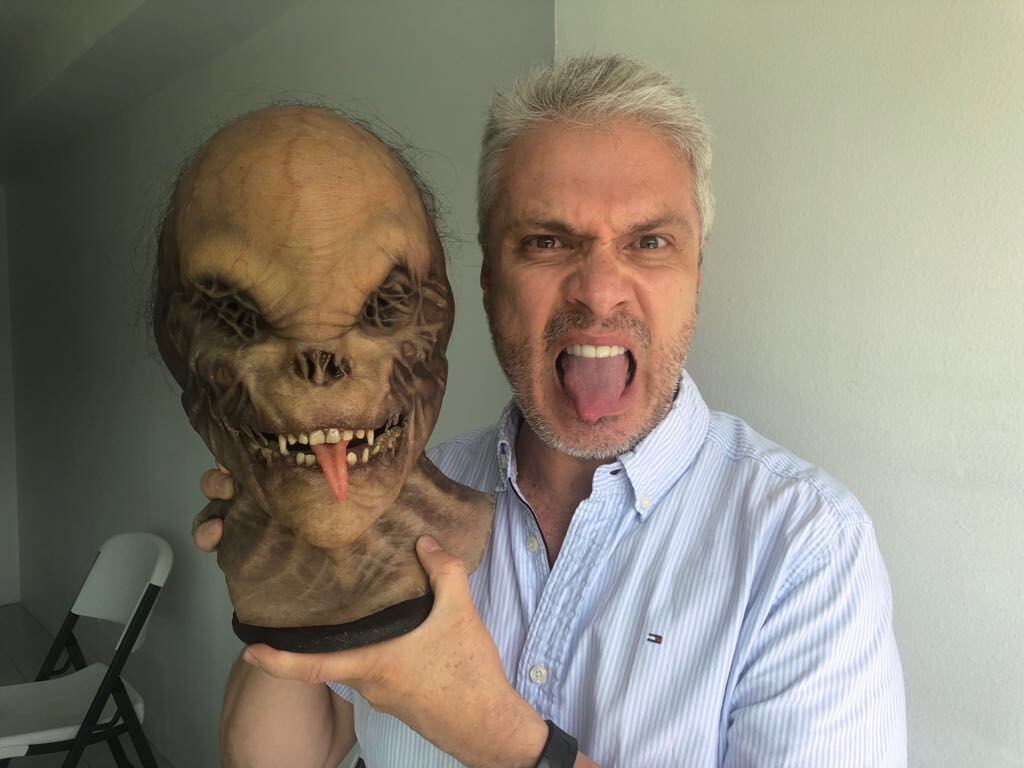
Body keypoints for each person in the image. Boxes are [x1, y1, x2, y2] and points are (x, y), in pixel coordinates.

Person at [197, 55, 907, 767]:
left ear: (697, 272)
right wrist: (285, 534)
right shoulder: (399, 494)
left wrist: (491, 732)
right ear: (486, 280)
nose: (598, 291)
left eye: (649, 242)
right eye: (547, 242)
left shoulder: (806, 545)